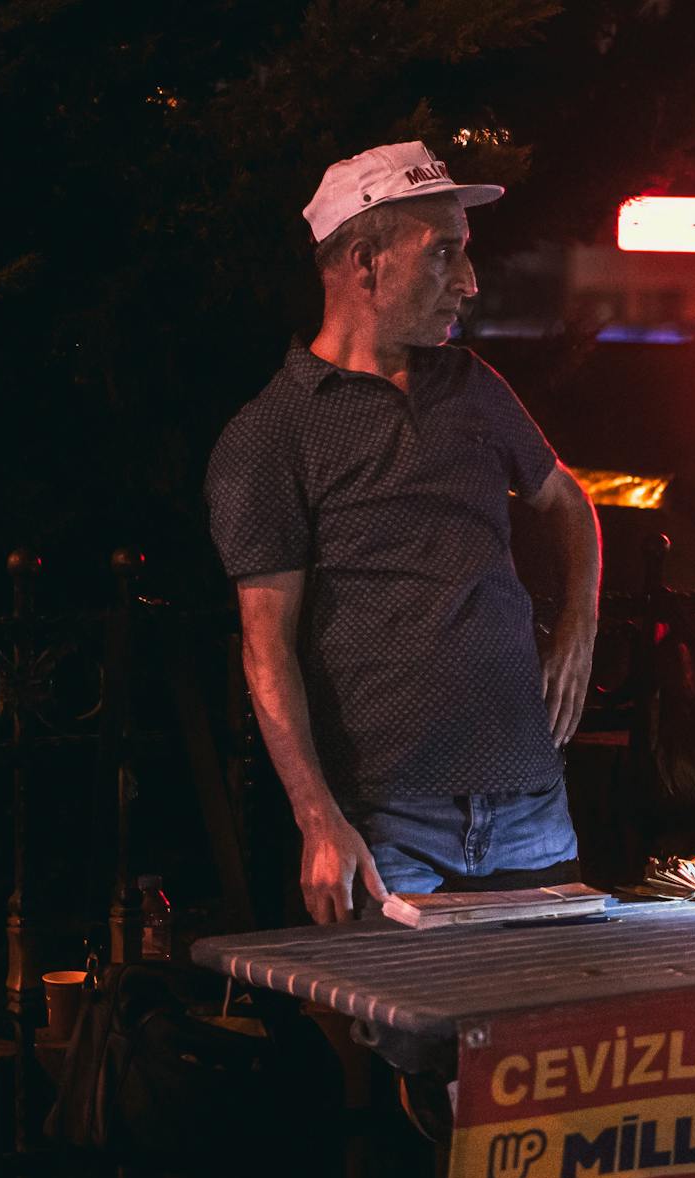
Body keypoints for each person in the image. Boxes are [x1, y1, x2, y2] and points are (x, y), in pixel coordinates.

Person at [206, 141, 601, 925]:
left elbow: (567, 500)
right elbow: (265, 646)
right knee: (414, 1044)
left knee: (541, 1033)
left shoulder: (474, 386)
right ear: (365, 261)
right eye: (444, 254)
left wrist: (579, 625)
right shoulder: (272, 435)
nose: (470, 281)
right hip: (387, 817)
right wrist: (317, 819)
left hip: (529, 796)